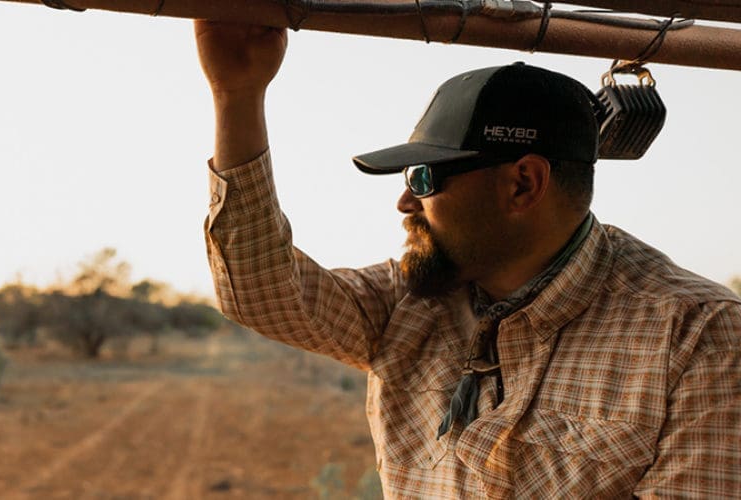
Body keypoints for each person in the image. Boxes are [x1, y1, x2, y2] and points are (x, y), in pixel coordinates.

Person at [195, 20, 740, 498]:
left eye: (425, 178)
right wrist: (235, 93)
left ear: (523, 184)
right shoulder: (407, 301)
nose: (406, 202)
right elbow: (261, 289)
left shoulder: (697, 334)